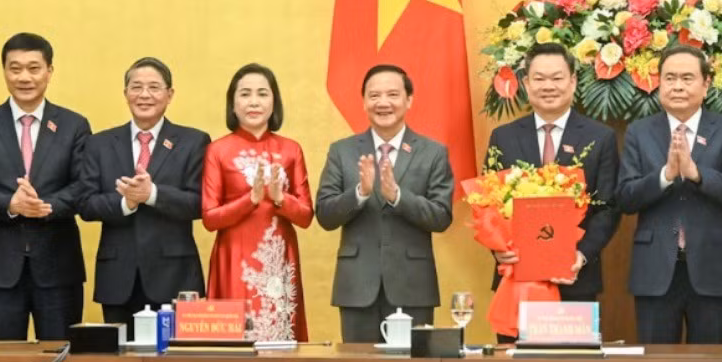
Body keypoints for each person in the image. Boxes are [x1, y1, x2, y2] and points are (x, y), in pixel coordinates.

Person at [618, 43, 722, 344]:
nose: (677, 86)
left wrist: (697, 173)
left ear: (706, 84)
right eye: (669, 78)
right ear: (658, 83)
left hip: (712, 268)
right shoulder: (639, 132)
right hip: (655, 269)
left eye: (687, 78)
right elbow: (625, 197)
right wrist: (665, 176)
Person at [0, 33, 93, 340]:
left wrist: (46, 206)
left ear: (50, 71)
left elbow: (84, 185)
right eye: (15, 68)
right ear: (4, 71)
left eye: (34, 68)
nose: (24, 77)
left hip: (58, 265)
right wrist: (10, 205)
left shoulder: (74, 125)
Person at [314, 64, 455, 342]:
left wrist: (398, 197)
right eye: (374, 95)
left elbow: (441, 216)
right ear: (364, 101)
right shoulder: (342, 151)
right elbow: (325, 215)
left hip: (413, 285)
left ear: (409, 100)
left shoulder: (433, 152)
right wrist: (359, 193)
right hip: (356, 286)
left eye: (392, 94)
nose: (383, 103)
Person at [482, 43, 621, 318]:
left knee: (569, 361)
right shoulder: (503, 137)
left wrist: (580, 255)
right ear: (526, 83)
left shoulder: (600, 138)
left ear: (572, 81)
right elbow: (489, 204)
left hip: (575, 280)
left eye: (557, 78)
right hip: (516, 279)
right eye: (539, 78)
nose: (549, 86)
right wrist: (498, 251)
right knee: (514, 361)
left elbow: (608, 207)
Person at [78, 57, 208, 324]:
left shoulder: (193, 141)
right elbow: (86, 204)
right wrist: (127, 203)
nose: (144, 95)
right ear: (125, 93)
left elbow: (200, 203)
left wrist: (152, 195)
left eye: (154, 87)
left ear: (169, 94)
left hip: (175, 276)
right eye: (136, 87)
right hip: (117, 278)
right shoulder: (99, 143)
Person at [201, 63, 312, 342]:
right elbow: (210, 218)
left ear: (274, 102)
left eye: (262, 94)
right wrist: (249, 200)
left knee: (279, 340)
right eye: (245, 94)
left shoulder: (291, 149)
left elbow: (306, 216)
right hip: (235, 259)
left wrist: (279, 198)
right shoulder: (218, 150)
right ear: (233, 104)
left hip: (278, 259)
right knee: (235, 342)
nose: (253, 102)